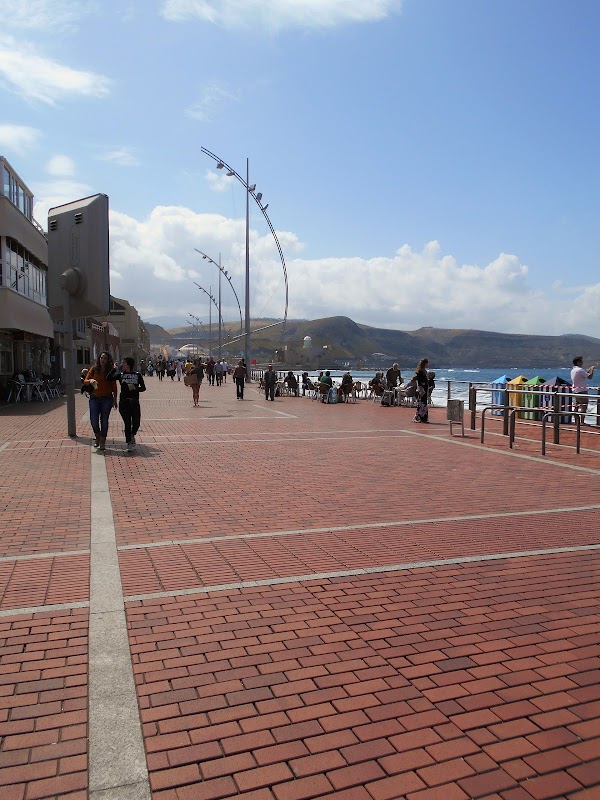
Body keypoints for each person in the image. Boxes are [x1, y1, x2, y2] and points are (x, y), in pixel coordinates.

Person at [107, 357, 146, 451]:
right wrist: (114, 369)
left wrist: (136, 389)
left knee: (136, 422)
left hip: (134, 402)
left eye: (123, 362)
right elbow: (108, 378)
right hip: (124, 402)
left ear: (128, 364)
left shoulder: (137, 375)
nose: (122, 364)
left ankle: (132, 434)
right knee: (127, 423)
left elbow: (143, 388)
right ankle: (129, 442)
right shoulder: (121, 375)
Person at [83, 351, 118, 450]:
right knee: (93, 419)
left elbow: (114, 386)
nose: (103, 360)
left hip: (107, 398)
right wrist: (90, 380)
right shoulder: (94, 369)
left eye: (105, 358)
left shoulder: (110, 371)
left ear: (108, 360)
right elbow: (85, 381)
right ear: (99, 359)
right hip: (94, 397)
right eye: (101, 358)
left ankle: (102, 441)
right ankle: (97, 436)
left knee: (104, 420)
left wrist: (115, 399)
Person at [412, 358, 430, 423]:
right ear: (425, 364)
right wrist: (421, 390)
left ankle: (424, 418)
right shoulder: (420, 372)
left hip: (425, 388)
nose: (428, 365)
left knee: (424, 403)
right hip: (422, 389)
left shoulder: (424, 371)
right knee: (421, 403)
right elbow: (419, 382)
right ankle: (418, 417)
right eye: (427, 363)